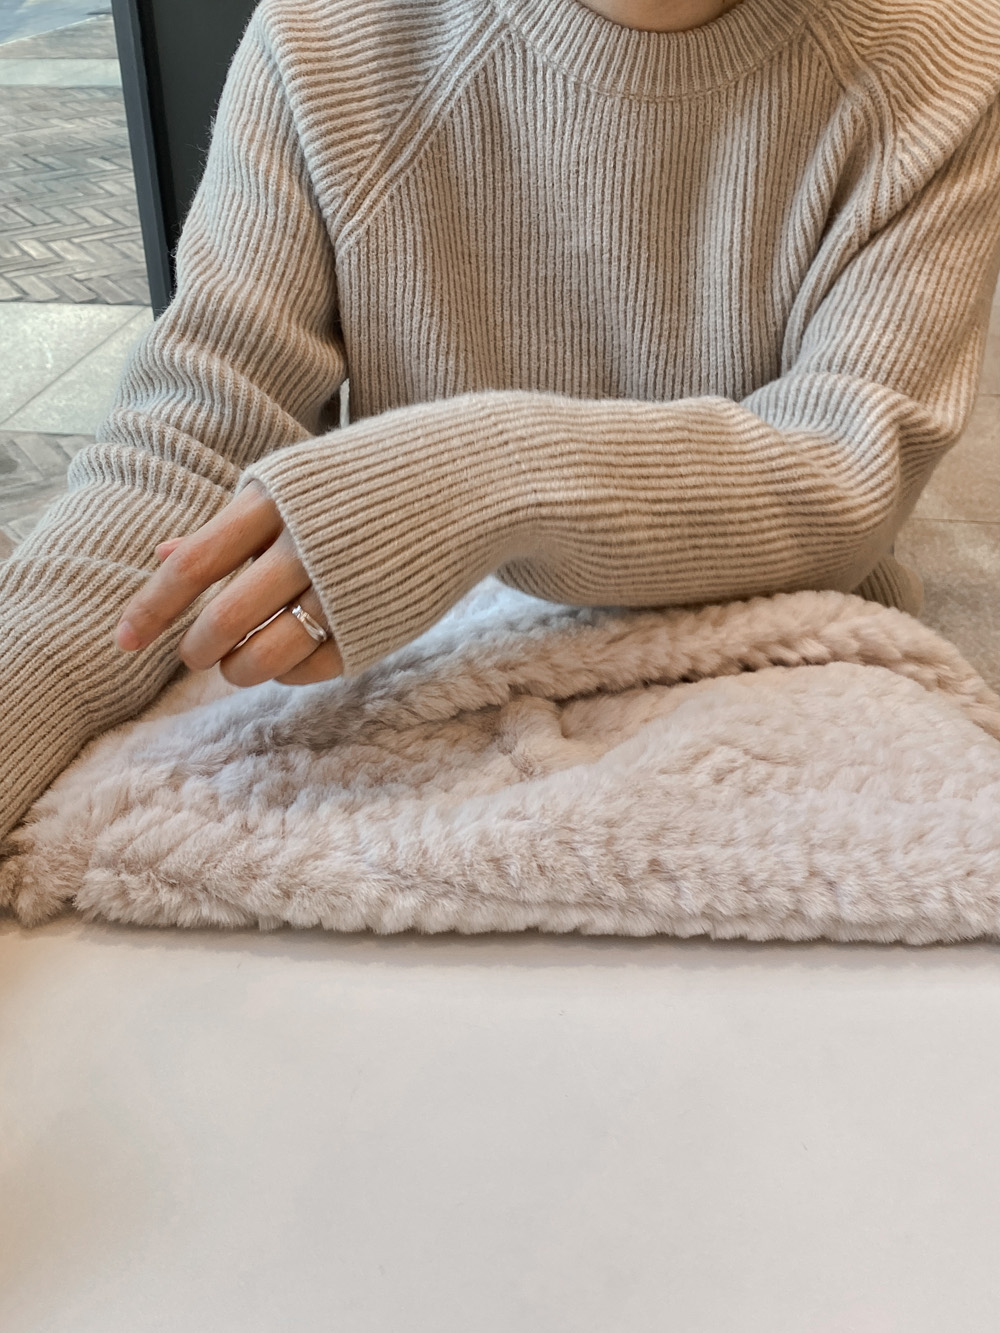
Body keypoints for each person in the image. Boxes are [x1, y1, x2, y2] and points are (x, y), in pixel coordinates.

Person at [1, 0, 997, 845]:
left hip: (790, 700)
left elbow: (843, 470)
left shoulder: (943, 53)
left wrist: (487, 476)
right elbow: (185, 455)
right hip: (425, 724)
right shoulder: (328, 35)